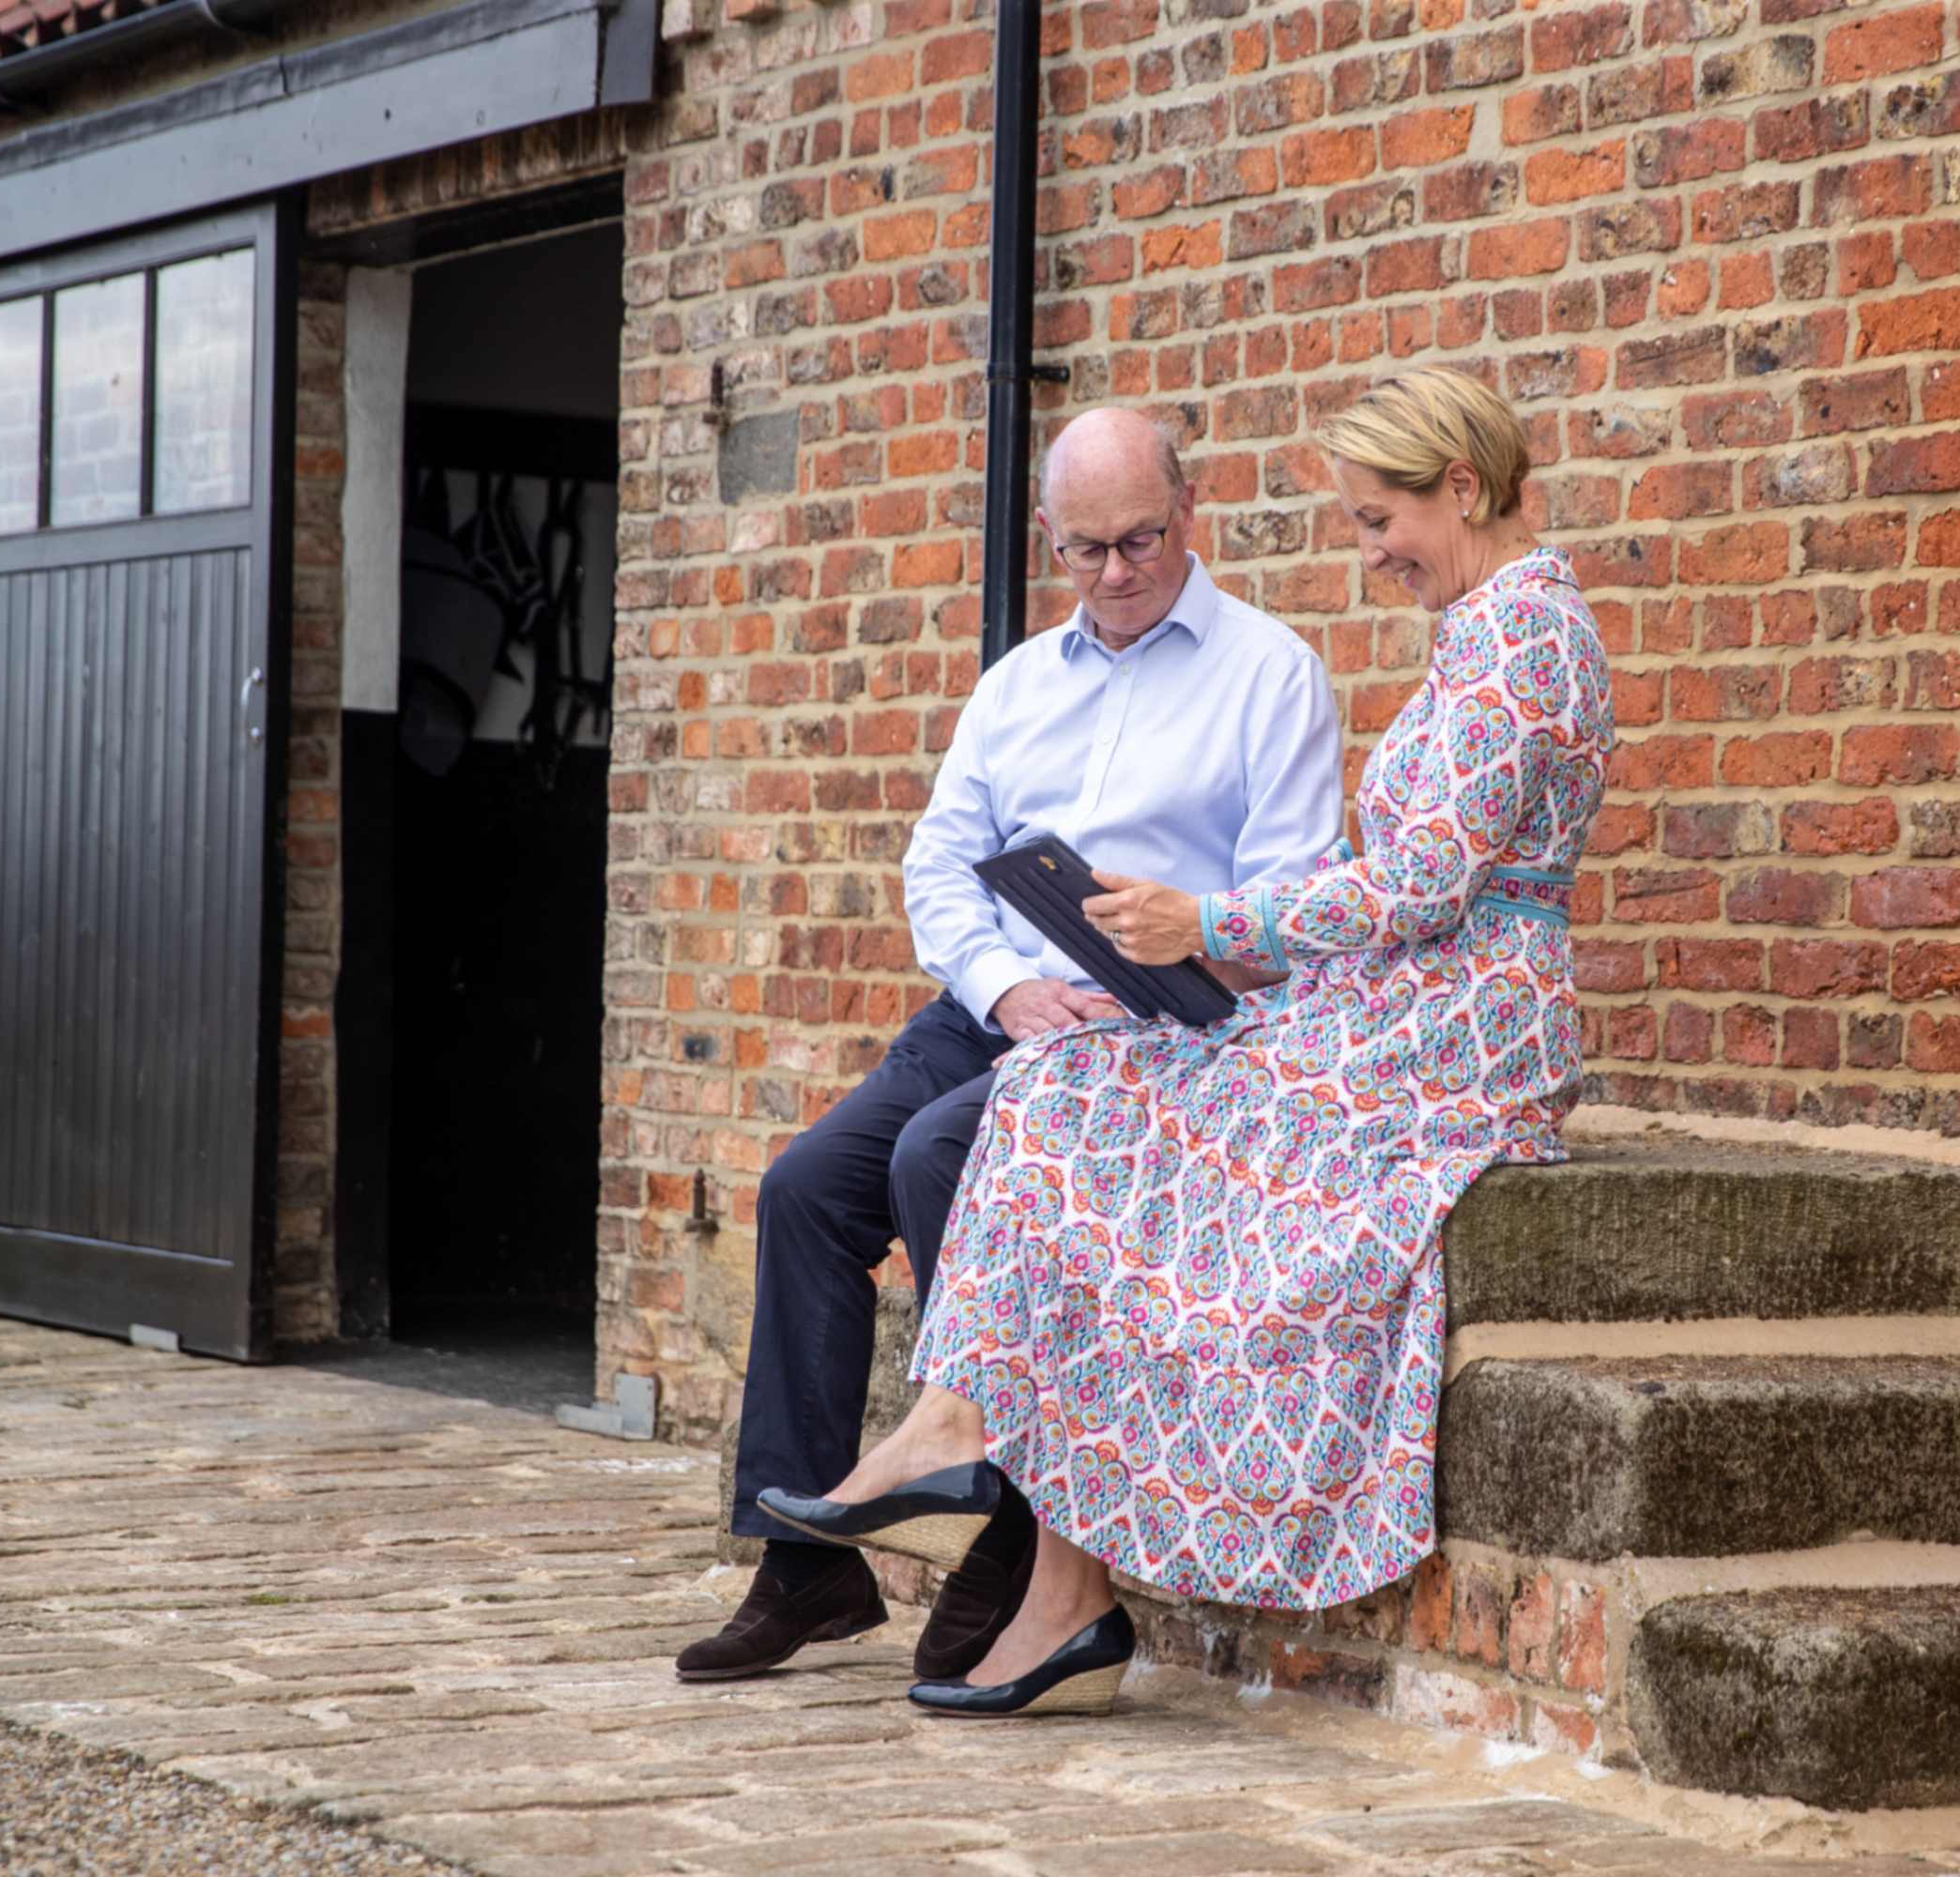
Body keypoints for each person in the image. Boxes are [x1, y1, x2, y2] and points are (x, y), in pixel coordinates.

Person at [758, 366, 1615, 1717]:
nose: (1370, 548)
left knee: (1089, 1100)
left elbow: (1413, 890)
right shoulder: (1486, 627)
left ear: (1463, 487)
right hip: (1400, 996)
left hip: (1458, 1021)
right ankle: (989, 1481)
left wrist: (1196, 919)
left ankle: (1025, 1528)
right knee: (1060, 1086)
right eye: (1357, 522)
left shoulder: (1516, 637)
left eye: (1377, 517)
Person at [675, 408, 1341, 1686]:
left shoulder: (1269, 673)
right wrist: (1001, 987)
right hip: (998, 1010)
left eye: (1140, 538)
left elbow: (1294, 901)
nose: (1115, 571)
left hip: (1153, 1031)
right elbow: (938, 866)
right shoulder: (1016, 684)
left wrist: (1173, 944)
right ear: (1049, 540)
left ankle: (1022, 1524)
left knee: (939, 1157)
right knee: (804, 1191)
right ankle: (803, 1562)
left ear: (1189, 512)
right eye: (1084, 548)